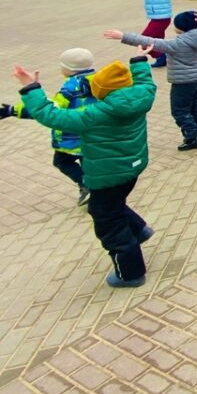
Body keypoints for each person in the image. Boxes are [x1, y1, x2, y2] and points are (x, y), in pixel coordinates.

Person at [13, 50, 157, 287]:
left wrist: (31, 88)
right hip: (132, 167)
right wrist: (139, 61)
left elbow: (52, 116)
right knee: (108, 205)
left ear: (102, 91)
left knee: (108, 222)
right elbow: (145, 80)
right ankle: (140, 230)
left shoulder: (96, 114)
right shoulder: (142, 96)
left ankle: (130, 273)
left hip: (106, 175)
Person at [105, 11, 197, 151]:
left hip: (182, 82)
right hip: (196, 79)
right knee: (196, 106)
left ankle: (193, 136)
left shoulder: (176, 43)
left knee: (179, 110)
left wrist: (122, 36)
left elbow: (149, 41)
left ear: (180, 27)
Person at [0, 47, 97, 204]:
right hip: (93, 134)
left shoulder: (71, 86)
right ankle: (95, 188)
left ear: (68, 69)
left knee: (62, 161)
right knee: (89, 164)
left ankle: (87, 186)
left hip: (71, 137)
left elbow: (49, 110)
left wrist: (13, 110)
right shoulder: (100, 79)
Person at [135, 0, 178, 67]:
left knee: (143, 40)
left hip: (161, 19)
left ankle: (161, 55)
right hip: (158, 18)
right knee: (158, 40)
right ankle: (162, 57)